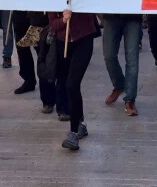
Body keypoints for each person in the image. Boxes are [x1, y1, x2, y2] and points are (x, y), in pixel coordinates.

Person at [51, 9, 100, 150]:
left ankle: (73, 133)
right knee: (71, 85)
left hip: (83, 40)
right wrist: (63, 21)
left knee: (72, 84)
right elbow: (52, 24)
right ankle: (80, 124)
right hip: (63, 42)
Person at [101, 13, 142, 116]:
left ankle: (130, 99)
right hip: (111, 15)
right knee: (109, 56)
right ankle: (119, 85)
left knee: (132, 60)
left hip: (133, 16)